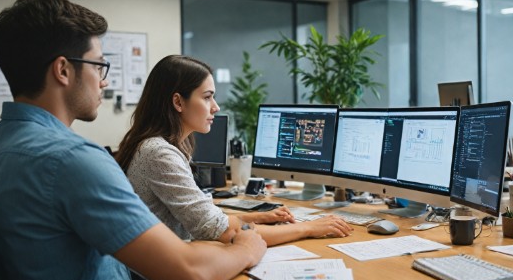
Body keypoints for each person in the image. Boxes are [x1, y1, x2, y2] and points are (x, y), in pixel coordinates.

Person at [0, 0, 266, 280]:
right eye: (99, 65)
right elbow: (188, 276)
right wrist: (245, 249)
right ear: (63, 70)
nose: (104, 80)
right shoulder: (73, 160)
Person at [115, 55, 353, 246]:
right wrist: (308, 228)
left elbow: (203, 217)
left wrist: (258, 216)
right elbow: (221, 231)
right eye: (207, 97)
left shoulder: (159, 145)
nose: (216, 107)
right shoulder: (159, 153)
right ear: (178, 102)